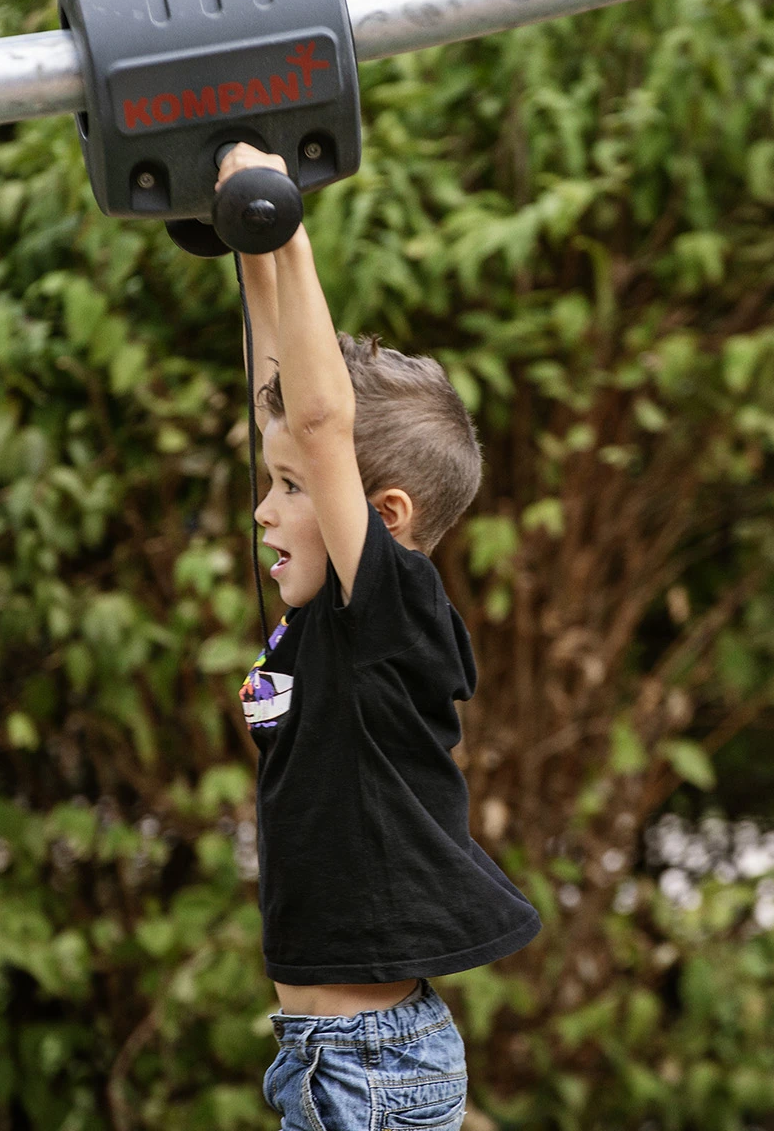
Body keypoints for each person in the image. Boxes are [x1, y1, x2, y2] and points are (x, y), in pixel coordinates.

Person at [220, 143, 542, 1130]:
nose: (264, 512)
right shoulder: (328, 626)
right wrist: (249, 247)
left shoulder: (389, 610)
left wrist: (291, 230)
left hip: (359, 1068)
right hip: (341, 1058)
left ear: (383, 512)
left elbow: (321, 421)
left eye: (290, 491)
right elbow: (282, 398)